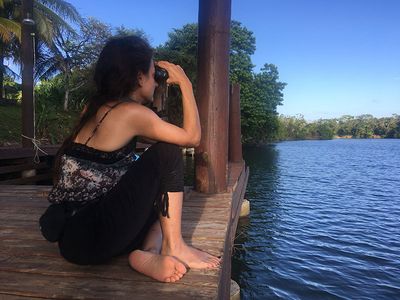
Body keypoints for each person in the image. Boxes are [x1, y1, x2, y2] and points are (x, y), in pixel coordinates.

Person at [40, 35, 220, 283]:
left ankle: (147, 254)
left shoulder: (94, 108)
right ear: (138, 77)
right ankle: (174, 246)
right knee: (168, 152)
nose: (157, 83)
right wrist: (186, 85)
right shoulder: (131, 113)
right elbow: (192, 137)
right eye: (152, 73)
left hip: (73, 239)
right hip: (97, 234)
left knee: (165, 195)